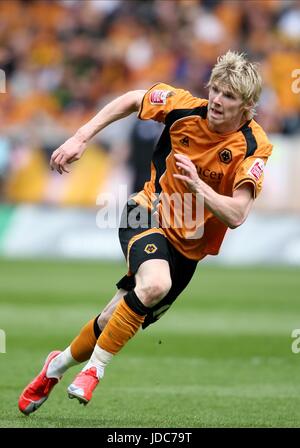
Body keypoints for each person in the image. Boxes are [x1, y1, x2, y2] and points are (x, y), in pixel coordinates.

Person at [18, 51, 273, 415]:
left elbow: (237, 214)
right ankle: (95, 371)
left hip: (189, 249)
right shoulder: (184, 107)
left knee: (112, 320)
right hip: (147, 211)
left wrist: (199, 186)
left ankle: (54, 368)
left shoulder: (253, 146)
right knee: (155, 285)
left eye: (228, 96)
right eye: (215, 90)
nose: (216, 100)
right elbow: (132, 98)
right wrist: (80, 137)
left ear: (247, 105)